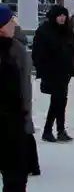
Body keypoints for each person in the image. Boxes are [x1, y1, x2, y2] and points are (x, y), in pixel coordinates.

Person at [0, 7, 46, 192]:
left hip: (11, 123)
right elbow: (21, 94)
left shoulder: (14, 47)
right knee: (15, 181)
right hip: (10, 126)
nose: (14, 24)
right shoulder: (12, 51)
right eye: (10, 21)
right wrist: (24, 123)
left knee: (15, 180)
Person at [32, 5, 74, 143]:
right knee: (58, 101)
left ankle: (56, 130)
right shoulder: (44, 31)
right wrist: (43, 70)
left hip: (64, 72)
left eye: (64, 15)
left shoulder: (68, 31)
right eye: (59, 15)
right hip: (51, 72)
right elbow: (37, 53)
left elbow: (71, 50)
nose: (62, 18)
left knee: (60, 101)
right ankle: (53, 130)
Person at [13, 25, 39, 177]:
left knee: (21, 130)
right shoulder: (18, 47)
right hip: (19, 95)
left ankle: (28, 164)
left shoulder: (16, 50)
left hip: (16, 95)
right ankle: (31, 164)